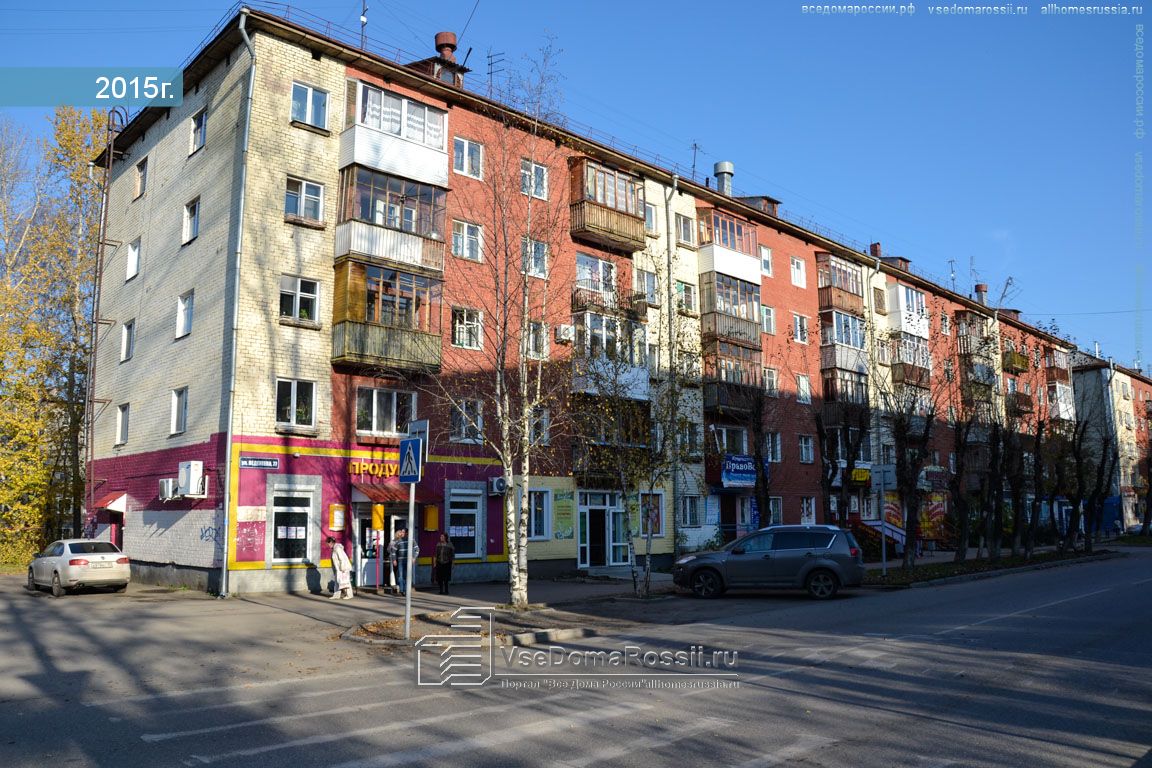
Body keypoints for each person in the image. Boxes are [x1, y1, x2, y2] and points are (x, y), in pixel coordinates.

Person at [388, 528, 419, 595]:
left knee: (406, 576)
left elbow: (417, 549)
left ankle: (405, 590)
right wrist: (394, 560)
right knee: (400, 576)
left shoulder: (411, 540)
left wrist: (414, 557)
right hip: (400, 561)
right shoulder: (398, 541)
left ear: (407, 533)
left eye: (403, 532)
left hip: (408, 561)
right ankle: (402, 590)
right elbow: (393, 551)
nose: (401, 533)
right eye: (401, 532)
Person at [327, 535, 353, 600]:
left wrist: (342, 568)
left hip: (342, 568)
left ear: (331, 542)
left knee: (345, 581)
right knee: (337, 581)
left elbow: (342, 558)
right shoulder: (334, 549)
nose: (328, 545)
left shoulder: (337, 548)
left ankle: (349, 595)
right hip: (338, 568)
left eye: (328, 543)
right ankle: (336, 595)